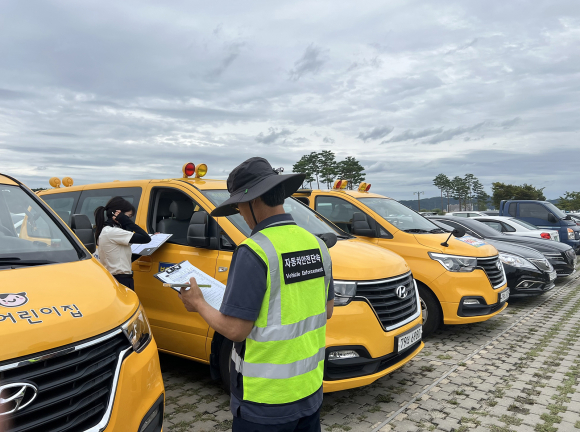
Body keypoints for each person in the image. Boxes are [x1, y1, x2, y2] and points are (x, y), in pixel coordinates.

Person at [179, 157, 334, 432]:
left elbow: (236, 330)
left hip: (265, 402)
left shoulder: (254, 251)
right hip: (309, 391)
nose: (239, 211)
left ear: (255, 200)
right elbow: (327, 309)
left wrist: (198, 303)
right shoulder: (317, 245)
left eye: (239, 204)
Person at [94, 196, 151, 289]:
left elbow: (123, 258)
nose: (129, 219)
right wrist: (126, 221)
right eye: (128, 216)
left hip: (119, 278)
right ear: (118, 214)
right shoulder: (113, 232)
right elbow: (145, 238)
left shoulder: (109, 231)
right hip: (120, 279)